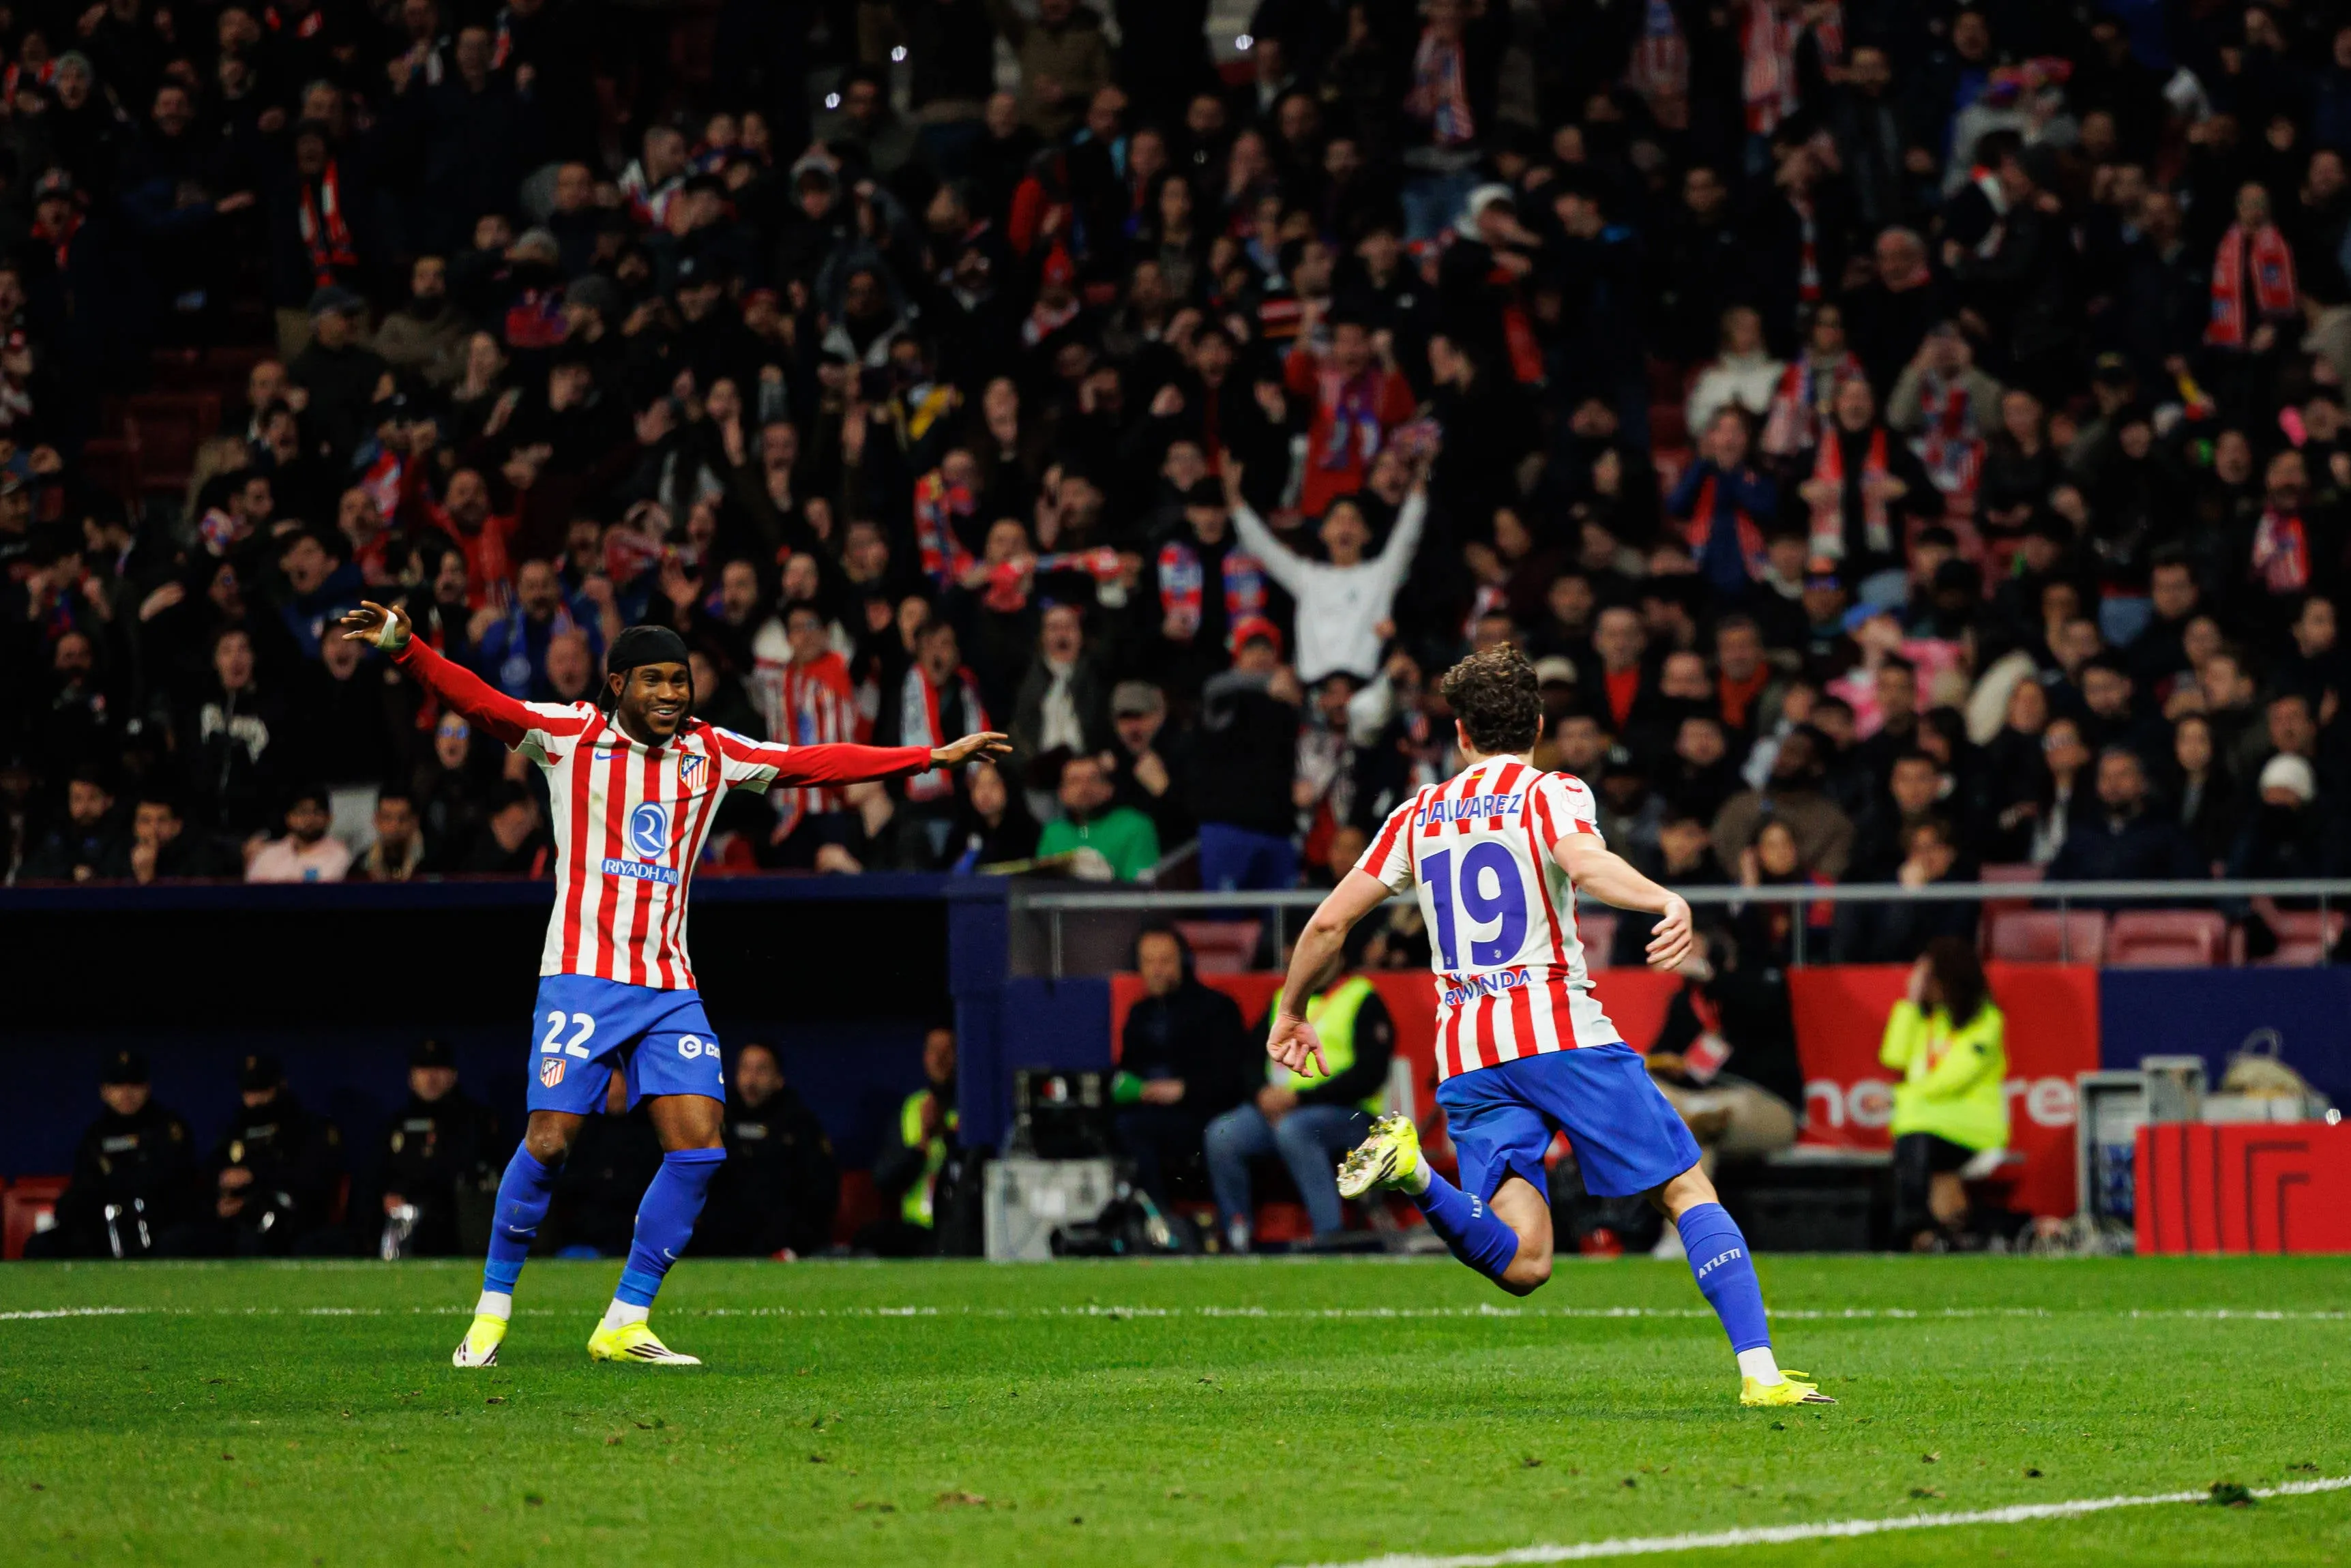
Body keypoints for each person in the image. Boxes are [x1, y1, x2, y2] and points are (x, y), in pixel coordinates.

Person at [338, 598, 1008, 1367]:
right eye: (653, 680)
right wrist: (407, 648)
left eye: (680, 681)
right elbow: (480, 702)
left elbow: (812, 762)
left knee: (699, 1148)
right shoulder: (570, 736)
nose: (670, 694)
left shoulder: (711, 753)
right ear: (616, 682)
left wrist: (929, 757)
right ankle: (492, 1310)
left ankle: (625, 1319)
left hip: (668, 984)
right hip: (582, 977)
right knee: (551, 1141)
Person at [1285, 645, 1833, 1407]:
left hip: (1469, 1052)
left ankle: (1411, 1169)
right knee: (1683, 1186)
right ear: (1539, 727)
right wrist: (1664, 900)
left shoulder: (1417, 812)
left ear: (1461, 733)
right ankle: (1762, 1374)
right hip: (1558, 1032)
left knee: (1525, 1263)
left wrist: (1291, 1009)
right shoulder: (1552, 792)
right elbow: (1587, 863)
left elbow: (1328, 924)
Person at [1204, 943, 1394, 1253]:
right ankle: (1237, 1236)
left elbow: (1370, 1074)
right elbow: (1250, 1059)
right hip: (1280, 1111)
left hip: (1350, 1116)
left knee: (1297, 1130)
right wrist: (1261, 1093)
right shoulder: (1283, 1000)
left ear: (1340, 956)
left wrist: (1300, 1099)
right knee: (1223, 1135)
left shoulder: (1362, 997)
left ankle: (1330, 1236)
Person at [1114, 924, 1256, 1214]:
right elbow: (1127, 1069)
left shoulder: (1217, 1008)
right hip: (1148, 1110)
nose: (1156, 970)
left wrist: (1184, 1090)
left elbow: (1232, 1079)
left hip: (1202, 1112)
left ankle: (1162, 1220)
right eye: (1148, 962)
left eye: (1164, 961)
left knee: (1133, 1129)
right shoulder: (1139, 1014)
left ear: (1184, 962)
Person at [1880, 936, 2009, 1251]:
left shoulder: (1986, 1022)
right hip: (1929, 1125)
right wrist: (1910, 1001)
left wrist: (1898, 1097)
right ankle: (1938, 1234)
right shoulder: (1928, 1022)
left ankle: (1912, 1228)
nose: (1925, 985)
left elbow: (1953, 1079)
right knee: (1917, 1142)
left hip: (1971, 1128)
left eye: (1928, 978)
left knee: (1915, 1138)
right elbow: (1893, 1056)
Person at [22, 1050, 196, 1260]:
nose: (126, 1094)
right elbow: (82, 1189)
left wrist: (118, 1184)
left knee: (179, 1239)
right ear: (104, 1091)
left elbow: (175, 1188)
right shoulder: (95, 1135)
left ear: (147, 1088)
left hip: (155, 1224)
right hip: (104, 1228)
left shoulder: (168, 1129)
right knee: (42, 1245)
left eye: (134, 1085)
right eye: (118, 1086)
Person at [699, 1043, 839, 1258]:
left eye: (761, 1070)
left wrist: (795, 1238)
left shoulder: (800, 1124)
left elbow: (820, 1191)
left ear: (779, 1079)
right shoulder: (717, 1120)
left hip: (787, 1241)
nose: (751, 1079)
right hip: (724, 1241)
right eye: (745, 1069)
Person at [371, 1039, 501, 1259]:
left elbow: (466, 1171)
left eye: (439, 1069)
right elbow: (375, 1175)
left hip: (454, 1222)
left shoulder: (474, 1120)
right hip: (399, 1221)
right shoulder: (395, 1123)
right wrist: (390, 1197)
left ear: (453, 1075)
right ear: (411, 1077)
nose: (431, 1077)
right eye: (423, 1069)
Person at [865, 1026, 961, 1257]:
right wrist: (922, 1144)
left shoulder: (974, 1105)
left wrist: (947, 1134)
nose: (940, 1058)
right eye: (933, 1051)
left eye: (949, 1050)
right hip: (917, 1229)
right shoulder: (911, 1108)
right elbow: (884, 1179)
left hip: (961, 1227)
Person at [1033, 749, 1159, 881]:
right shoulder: (1053, 832)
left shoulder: (1135, 826)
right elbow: (1041, 887)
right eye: (1074, 781)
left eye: (1093, 779)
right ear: (1062, 793)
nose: (1084, 788)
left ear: (1109, 789)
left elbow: (1142, 888)